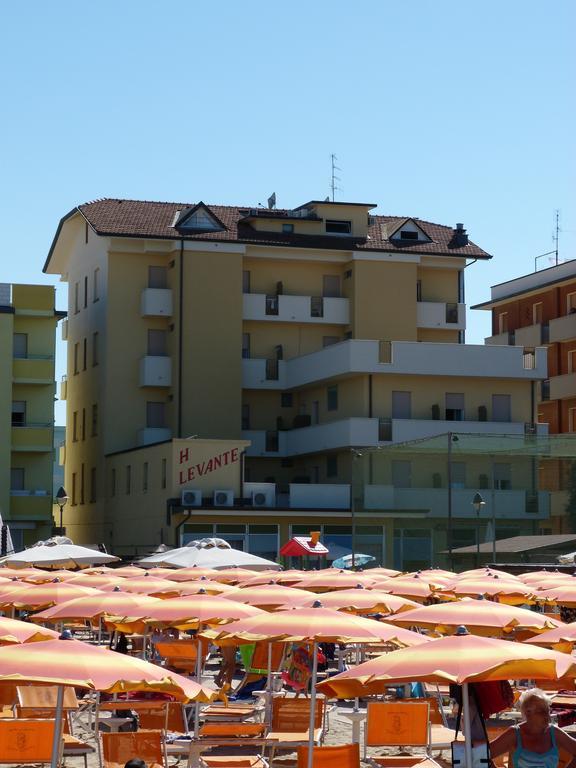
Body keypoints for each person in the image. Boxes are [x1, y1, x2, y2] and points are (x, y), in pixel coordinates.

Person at [490, 688, 576, 768]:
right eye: (541, 711)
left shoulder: (555, 733)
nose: (547, 716)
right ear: (528, 713)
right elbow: (482, 754)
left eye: (547, 711)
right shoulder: (515, 734)